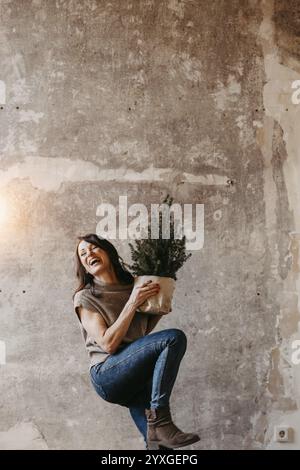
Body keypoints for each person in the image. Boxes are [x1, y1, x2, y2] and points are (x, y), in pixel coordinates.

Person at [72, 233, 200, 449]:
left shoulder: (134, 284)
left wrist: (160, 304)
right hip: (107, 374)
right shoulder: (85, 297)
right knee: (173, 339)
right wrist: (132, 302)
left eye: (93, 248)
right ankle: (161, 419)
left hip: (135, 375)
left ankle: (157, 431)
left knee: (160, 447)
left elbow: (141, 333)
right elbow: (108, 344)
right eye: (83, 253)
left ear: (108, 252)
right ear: (83, 266)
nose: (88, 254)